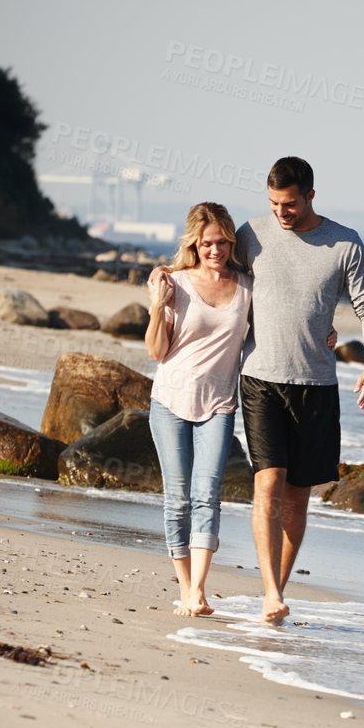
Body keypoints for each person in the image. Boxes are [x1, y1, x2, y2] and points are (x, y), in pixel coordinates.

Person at [237, 156, 364, 621]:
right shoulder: (251, 234)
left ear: (311, 196)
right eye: (274, 203)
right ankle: (269, 593)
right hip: (260, 378)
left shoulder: (344, 243)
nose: (282, 212)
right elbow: (220, 276)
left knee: (298, 497)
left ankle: (275, 590)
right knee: (269, 483)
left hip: (316, 384)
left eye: (291, 204)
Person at [145, 202, 251, 617]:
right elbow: (157, 351)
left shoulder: (246, 287)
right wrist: (157, 304)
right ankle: (186, 587)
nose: (215, 250)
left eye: (223, 241)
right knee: (178, 500)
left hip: (219, 404)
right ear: (195, 242)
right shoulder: (175, 283)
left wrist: (325, 331)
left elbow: (277, 323)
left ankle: (200, 591)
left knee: (208, 496)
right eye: (207, 242)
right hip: (170, 402)